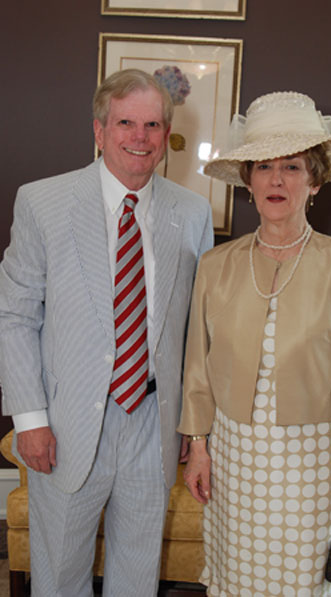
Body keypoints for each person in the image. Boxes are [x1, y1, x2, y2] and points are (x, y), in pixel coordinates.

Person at [0, 68, 213, 596]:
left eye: (152, 125)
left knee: (137, 578)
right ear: (99, 131)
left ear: (166, 134)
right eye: (125, 123)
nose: (140, 137)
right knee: (59, 577)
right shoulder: (42, 203)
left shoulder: (192, 213)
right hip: (65, 426)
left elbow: (199, 331)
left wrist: (193, 426)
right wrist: (29, 419)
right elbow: (15, 315)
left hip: (153, 422)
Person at [178, 91, 331, 597]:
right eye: (264, 167)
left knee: (300, 583)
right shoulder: (215, 265)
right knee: (236, 579)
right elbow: (197, 368)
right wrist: (198, 448)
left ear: (315, 181)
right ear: (248, 181)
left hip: (315, 463)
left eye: (292, 167)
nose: (277, 180)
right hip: (233, 458)